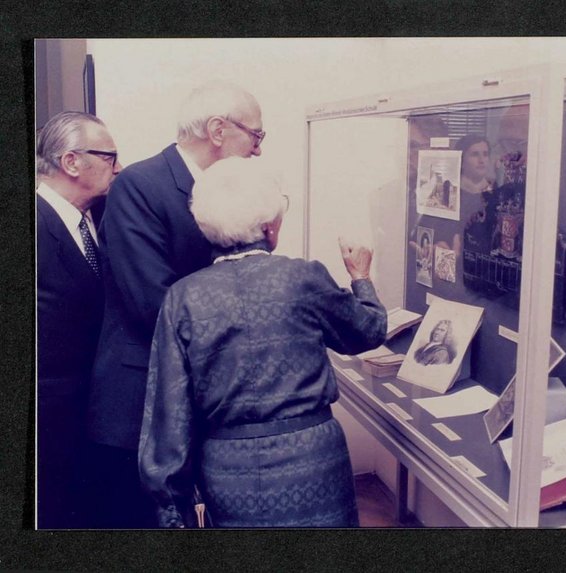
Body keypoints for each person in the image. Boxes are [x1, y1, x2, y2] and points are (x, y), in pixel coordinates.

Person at [138, 157, 387, 528]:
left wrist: (171, 507)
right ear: (270, 227)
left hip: (228, 469)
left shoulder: (183, 298)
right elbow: (369, 331)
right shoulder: (303, 278)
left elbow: (169, 409)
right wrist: (361, 278)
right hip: (313, 461)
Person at [85, 82, 264, 528]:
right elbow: (153, 303)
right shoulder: (140, 186)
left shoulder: (226, 190)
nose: (258, 150)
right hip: (141, 403)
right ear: (218, 130)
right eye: (256, 135)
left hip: (195, 393)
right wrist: (248, 335)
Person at [35, 111, 122, 528]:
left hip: (94, 423)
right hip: (50, 431)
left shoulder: (101, 218)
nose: (117, 168)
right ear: (71, 162)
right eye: (109, 157)